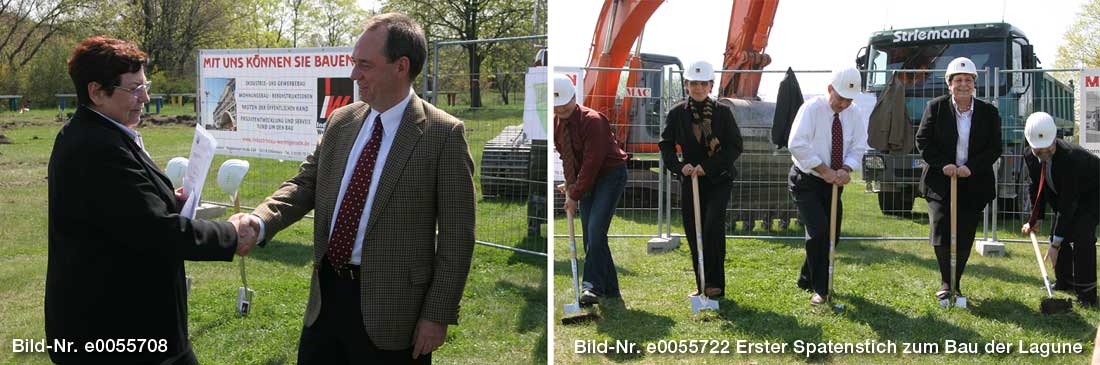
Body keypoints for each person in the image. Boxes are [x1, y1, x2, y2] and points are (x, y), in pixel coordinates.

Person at [236, 13, 475, 364]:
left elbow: (458, 237)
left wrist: (437, 314)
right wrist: (259, 222)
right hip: (326, 300)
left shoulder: (443, 135)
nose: (353, 75)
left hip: (395, 314)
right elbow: (305, 183)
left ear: (401, 66)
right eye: (353, 63)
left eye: (364, 65)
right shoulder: (342, 121)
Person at [45, 36, 256, 365]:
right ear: (96, 92)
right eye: (133, 89)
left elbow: (121, 210)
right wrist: (229, 234)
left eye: (146, 85)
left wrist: (169, 199)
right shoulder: (97, 148)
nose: (145, 97)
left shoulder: (96, 132)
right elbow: (154, 231)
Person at [915, 57, 1002, 306]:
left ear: (974, 84)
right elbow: (923, 141)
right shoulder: (936, 107)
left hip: (974, 181)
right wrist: (944, 164)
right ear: (949, 84)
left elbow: (994, 148)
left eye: (968, 80)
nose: (963, 85)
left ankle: (956, 283)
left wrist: (970, 168)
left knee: (964, 233)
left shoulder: (989, 112)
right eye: (958, 80)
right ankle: (946, 283)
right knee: (942, 228)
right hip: (941, 181)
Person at [659, 60, 744, 299]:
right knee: (692, 229)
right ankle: (702, 282)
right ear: (686, 84)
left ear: (711, 85)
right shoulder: (677, 113)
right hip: (690, 180)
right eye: (693, 83)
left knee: (711, 227)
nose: (698, 88)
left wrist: (706, 167)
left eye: (702, 83)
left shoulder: (723, 113)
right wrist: (679, 167)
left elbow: (735, 147)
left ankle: (715, 283)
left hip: (719, 179)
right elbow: (665, 145)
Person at [787, 66, 868, 306]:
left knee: (832, 234)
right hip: (806, 180)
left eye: (849, 99)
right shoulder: (811, 109)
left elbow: (859, 146)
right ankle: (821, 289)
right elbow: (796, 144)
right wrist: (825, 170)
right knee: (820, 230)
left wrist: (845, 169)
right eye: (840, 98)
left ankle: (805, 277)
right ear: (830, 89)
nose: (844, 104)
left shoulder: (854, 114)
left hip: (833, 182)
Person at [553, 72, 628, 304]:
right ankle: (611, 289)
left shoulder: (593, 121)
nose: (561, 110)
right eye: (556, 106)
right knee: (591, 235)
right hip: (587, 178)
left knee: (596, 231)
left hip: (609, 175)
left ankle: (591, 288)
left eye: (564, 105)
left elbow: (592, 162)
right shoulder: (557, 124)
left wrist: (574, 194)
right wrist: (571, 184)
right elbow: (568, 159)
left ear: (574, 98)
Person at [1020, 112, 1099, 306]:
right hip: (1066, 196)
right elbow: (1035, 184)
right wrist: (1035, 218)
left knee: (1082, 234)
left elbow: (1069, 203)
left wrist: (1055, 245)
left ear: (1055, 138)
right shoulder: (1029, 153)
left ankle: (1087, 294)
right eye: (1039, 151)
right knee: (1058, 232)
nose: (1044, 154)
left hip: (1094, 194)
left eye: (1048, 148)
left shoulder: (1071, 158)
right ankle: (1065, 282)